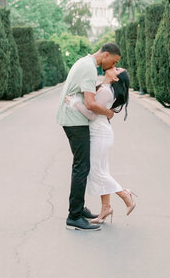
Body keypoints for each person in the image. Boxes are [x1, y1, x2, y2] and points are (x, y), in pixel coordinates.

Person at [57, 43, 121, 231]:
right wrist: (109, 113)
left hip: (71, 119)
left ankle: (78, 209)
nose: (112, 66)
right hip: (74, 121)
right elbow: (91, 104)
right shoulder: (89, 68)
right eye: (114, 61)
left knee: (81, 165)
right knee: (82, 167)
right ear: (106, 54)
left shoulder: (85, 62)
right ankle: (74, 216)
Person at [66, 67, 137, 224]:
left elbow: (91, 115)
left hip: (99, 133)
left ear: (116, 78)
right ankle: (106, 208)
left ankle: (125, 195)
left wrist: (75, 103)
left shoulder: (106, 91)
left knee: (97, 172)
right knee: (102, 170)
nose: (113, 67)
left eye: (117, 69)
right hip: (100, 132)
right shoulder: (104, 87)